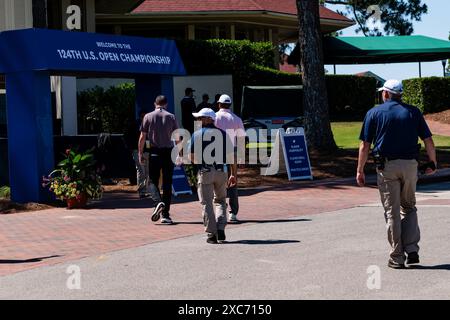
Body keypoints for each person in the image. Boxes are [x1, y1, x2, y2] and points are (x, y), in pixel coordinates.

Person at [357, 79, 437, 269]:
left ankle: (397, 257)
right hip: (410, 166)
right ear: (400, 94)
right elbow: (428, 140)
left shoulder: (374, 113)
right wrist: (433, 162)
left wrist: (360, 169)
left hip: (387, 167)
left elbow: (365, 145)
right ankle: (412, 250)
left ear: (385, 94)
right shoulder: (413, 112)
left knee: (392, 211)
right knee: (409, 206)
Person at [189, 108, 237, 244]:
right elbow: (231, 156)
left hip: (205, 172)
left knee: (206, 203)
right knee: (221, 200)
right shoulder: (223, 134)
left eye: (200, 118)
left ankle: (212, 234)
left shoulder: (197, 134)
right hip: (222, 171)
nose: (198, 120)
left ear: (206, 119)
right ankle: (221, 228)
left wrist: (200, 164)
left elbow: (190, 156)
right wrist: (233, 174)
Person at [139, 95, 180, 225]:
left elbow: (142, 137)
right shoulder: (171, 117)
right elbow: (178, 137)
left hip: (154, 152)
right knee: (167, 183)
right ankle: (165, 215)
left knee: (152, 181)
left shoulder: (148, 117)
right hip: (168, 152)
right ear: (166, 104)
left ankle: (158, 202)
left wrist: (140, 153)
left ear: (154, 103)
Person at [214, 94, 246, 223]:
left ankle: (219, 207)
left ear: (219, 104)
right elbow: (242, 139)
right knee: (233, 183)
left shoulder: (214, 117)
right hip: (231, 152)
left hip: (215, 152)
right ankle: (233, 213)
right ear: (230, 104)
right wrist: (242, 158)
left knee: (216, 181)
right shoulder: (236, 119)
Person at [124, 111, 150, 198]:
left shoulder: (148, 124)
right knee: (141, 170)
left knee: (146, 171)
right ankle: (142, 191)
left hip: (146, 150)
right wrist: (131, 148)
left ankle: (145, 190)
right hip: (137, 150)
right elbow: (127, 137)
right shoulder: (134, 125)